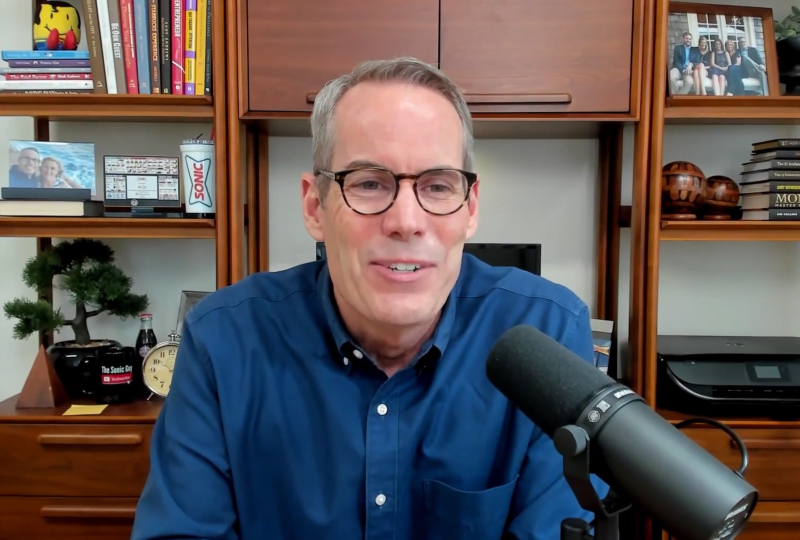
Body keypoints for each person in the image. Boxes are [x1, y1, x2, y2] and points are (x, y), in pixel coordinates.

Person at [131, 57, 607, 540]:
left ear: (470, 208)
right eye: (369, 183)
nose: (405, 221)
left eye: (438, 185)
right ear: (315, 206)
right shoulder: (223, 340)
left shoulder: (548, 330)